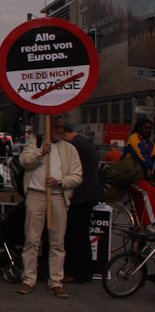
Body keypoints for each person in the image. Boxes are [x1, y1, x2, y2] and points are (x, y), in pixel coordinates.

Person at [17, 116, 82, 298]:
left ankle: (55, 281)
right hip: (36, 195)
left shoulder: (69, 149)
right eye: (56, 127)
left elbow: (77, 176)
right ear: (48, 127)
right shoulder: (35, 143)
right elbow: (25, 161)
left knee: (57, 242)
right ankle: (28, 279)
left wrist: (60, 182)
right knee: (32, 239)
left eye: (62, 127)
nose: (59, 130)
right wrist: (40, 153)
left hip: (58, 196)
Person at [63, 124, 100, 283]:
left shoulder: (74, 145)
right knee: (84, 235)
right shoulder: (85, 142)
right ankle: (86, 271)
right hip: (90, 193)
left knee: (75, 235)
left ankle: (76, 272)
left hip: (80, 195)